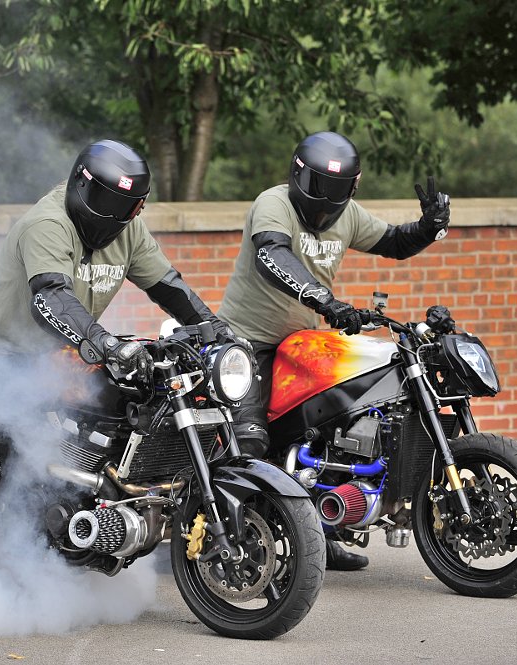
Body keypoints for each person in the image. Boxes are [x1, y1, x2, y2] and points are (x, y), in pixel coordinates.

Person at [0, 139, 234, 511]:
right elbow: (49, 297)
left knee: (114, 419)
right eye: (109, 202)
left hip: (50, 354)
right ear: (80, 186)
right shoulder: (48, 224)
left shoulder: (129, 230)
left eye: (129, 206)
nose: (117, 215)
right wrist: (107, 344)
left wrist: (215, 328)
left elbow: (168, 286)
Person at [217, 131, 451, 569]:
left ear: (353, 187)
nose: (327, 200)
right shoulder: (273, 205)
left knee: (332, 440)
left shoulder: (349, 216)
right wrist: (325, 301)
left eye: (338, 190)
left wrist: (430, 228)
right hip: (246, 343)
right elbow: (273, 256)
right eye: (320, 187)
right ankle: (237, 546)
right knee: (249, 443)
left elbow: (395, 243)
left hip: (304, 346)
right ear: (297, 177)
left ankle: (322, 535)